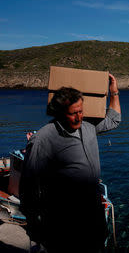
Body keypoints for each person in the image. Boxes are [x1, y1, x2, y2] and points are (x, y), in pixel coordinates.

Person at [19, 74, 121, 253]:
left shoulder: (88, 126)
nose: (79, 117)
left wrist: (114, 93)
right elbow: (28, 188)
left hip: (92, 216)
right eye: (73, 113)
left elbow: (114, 120)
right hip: (63, 223)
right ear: (58, 113)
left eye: (81, 111)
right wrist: (38, 226)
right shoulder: (43, 139)